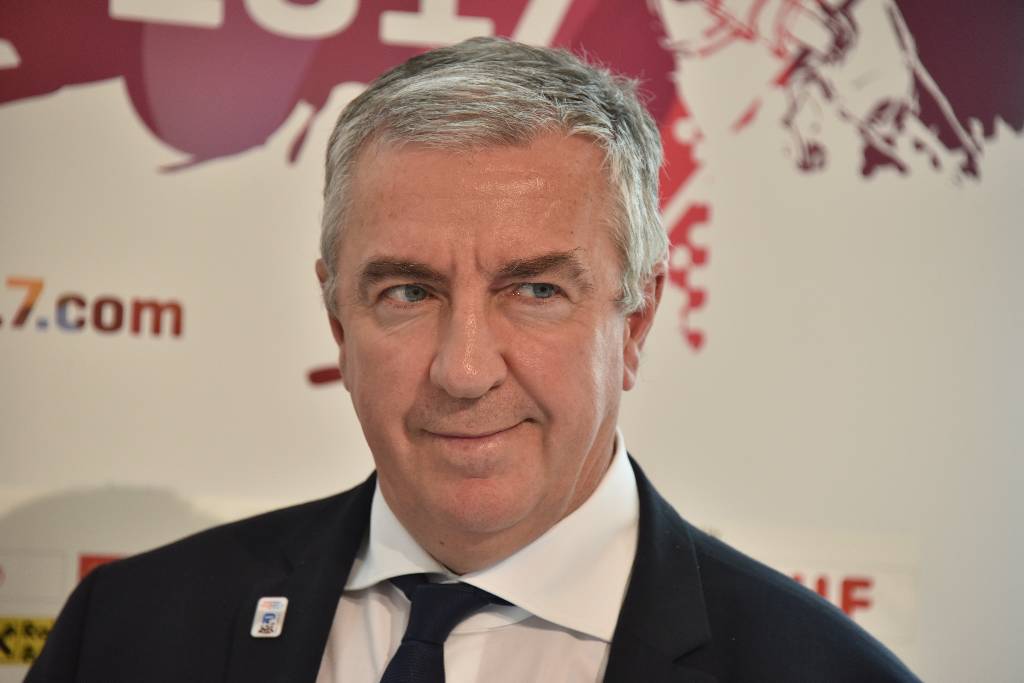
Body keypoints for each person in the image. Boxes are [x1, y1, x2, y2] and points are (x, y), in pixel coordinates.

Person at [27, 37, 919, 682]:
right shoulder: (126, 633)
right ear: (338, 319)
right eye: (407, 292)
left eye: (535, 290)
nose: (463, 371)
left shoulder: (825, 671)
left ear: (636, 320)